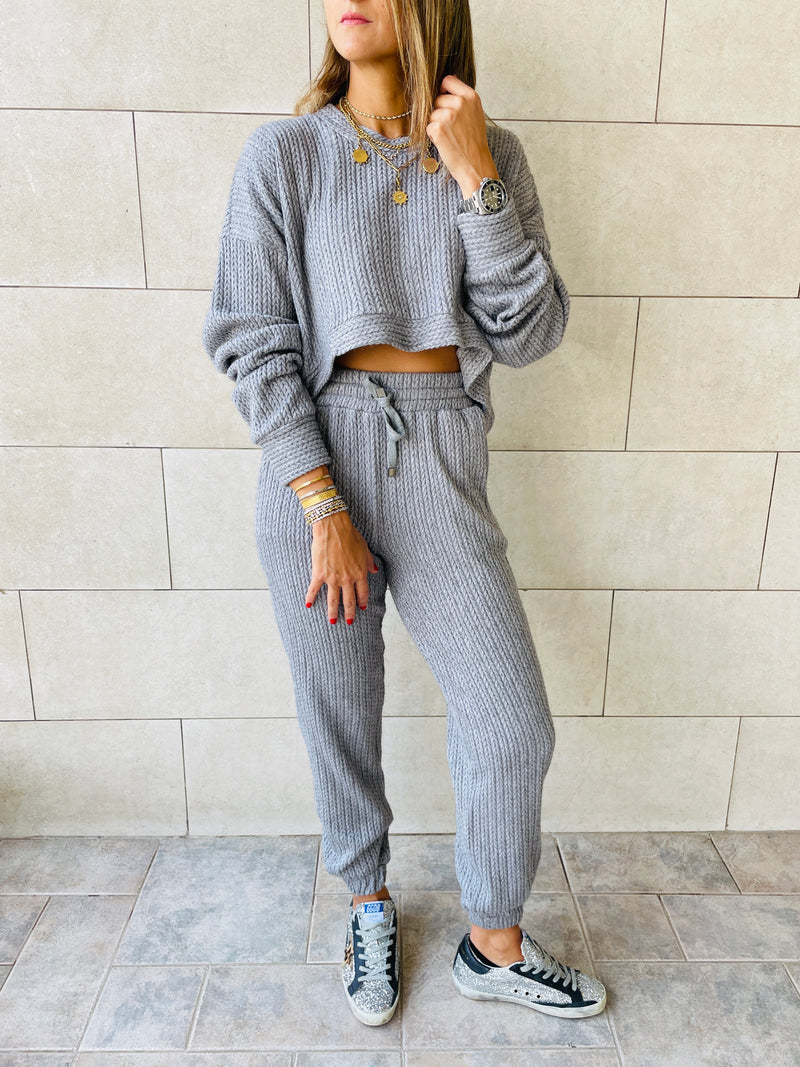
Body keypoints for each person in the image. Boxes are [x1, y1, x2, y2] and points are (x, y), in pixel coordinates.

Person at [202, 0, 607, 1028]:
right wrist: (321, 502)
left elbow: (530, 331)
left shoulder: (490, 152)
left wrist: (474, 178)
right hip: (315, 460)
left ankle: (492, 942)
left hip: (439, 457)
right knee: (337, 707)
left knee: (511, 723)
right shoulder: (285, 154)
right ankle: (367, 902)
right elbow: (252, 337)